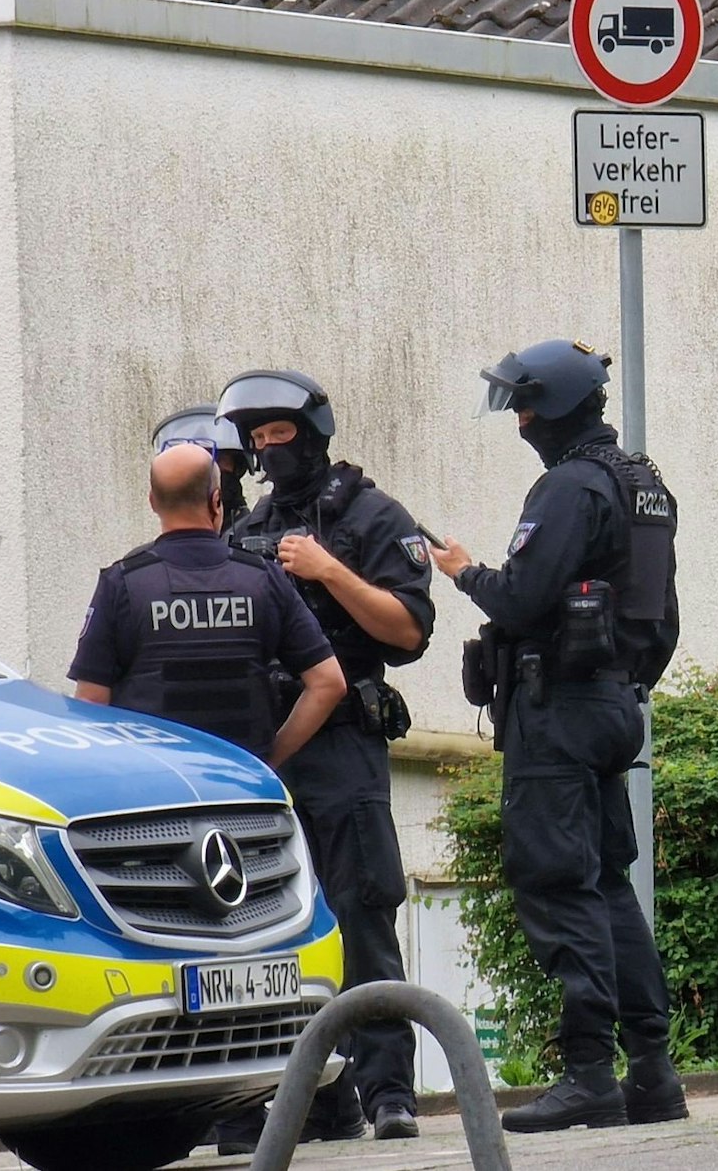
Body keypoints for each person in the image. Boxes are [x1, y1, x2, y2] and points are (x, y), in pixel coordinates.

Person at [429, 339, 684, 1134]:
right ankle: (652, 1073)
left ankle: (588, 1075)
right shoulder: (643, 484)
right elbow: (664, 618)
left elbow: (521, 595)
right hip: (615, 702)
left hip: (561, 712)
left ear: (561, 406)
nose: (521, 420)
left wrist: (465, 571)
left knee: (557, 882)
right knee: (607, 884)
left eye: (527, 405)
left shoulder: (569, 487)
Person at [216, 369, 434, 1146]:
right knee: (266, 930)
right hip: (268, 751)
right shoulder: (245, 531)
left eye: (282, 434)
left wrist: (328, 570)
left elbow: (408, 630)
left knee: (362, 916)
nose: (271, 450)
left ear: (314, 432)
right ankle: (301, 1099)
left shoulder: (373, 515)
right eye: (258, 439)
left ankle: (387, 1093)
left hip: (341, 743)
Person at [68, 442, 346, 765]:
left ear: (153, 502)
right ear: (216, 501)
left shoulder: (122, 584)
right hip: (244, 791)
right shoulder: (263, 578)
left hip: (156, 792)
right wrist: (267, 762)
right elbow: (328, 682)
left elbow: (90, 705)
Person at [151, 404, 254, 528]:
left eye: (217, 460)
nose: (203, 471)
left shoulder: (257, 537)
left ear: (238, 466)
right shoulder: (162, 545)